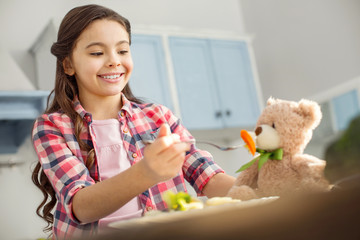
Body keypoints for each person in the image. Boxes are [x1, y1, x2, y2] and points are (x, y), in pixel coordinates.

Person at [31, 4, 235, 240]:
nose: (114, 61)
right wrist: (147, 172)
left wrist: (256, 189)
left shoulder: (158, 117)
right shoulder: (52, 128)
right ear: (68, 64)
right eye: (97, 53)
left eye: (123, 51)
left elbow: (206, 174)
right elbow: (81, 206)